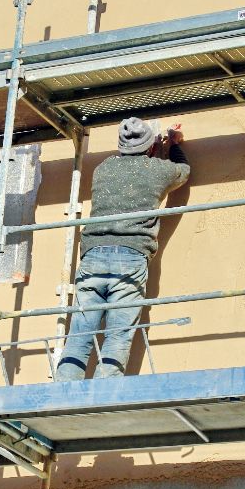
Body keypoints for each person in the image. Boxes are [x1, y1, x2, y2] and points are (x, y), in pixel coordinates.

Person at [55, 116, 190, 381]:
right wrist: (173, 145)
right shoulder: (157, 170)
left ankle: (62, 393)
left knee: (80, 333)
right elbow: (181, 172)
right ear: (151, 146)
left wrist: (154, 151)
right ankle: (104, 395)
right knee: (118, 335)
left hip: (93, 255)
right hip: (130, 258)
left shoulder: (103, 168)